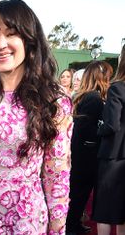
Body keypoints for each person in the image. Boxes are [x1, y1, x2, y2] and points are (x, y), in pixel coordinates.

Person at [0, 0, 73, 234]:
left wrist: (57, 229)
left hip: (25, 220)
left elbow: (57, 176)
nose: (0, 45)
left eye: (10, 34)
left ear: (29, 40)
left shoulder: (54, 101)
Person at [66, 61, 112, 234]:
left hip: (82, 153)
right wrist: (104, 130)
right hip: (86, 155)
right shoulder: (93, 97)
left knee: (79, 194)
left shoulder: (88, 96)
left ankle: (73, 224)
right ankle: (71, 227)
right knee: (79, 194)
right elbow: (85, 128)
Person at [92, 44, 125, 235]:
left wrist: (99, 128)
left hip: (113, 156)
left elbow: (111, 125)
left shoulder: (118, 88)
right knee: (122, 209)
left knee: (104, 210)